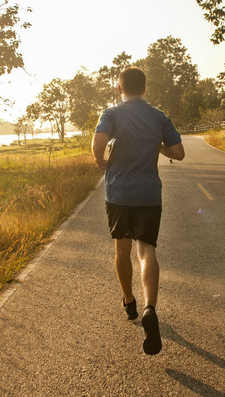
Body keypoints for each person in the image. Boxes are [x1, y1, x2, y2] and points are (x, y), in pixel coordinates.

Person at [91, 66, 185, 355]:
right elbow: (179, 153)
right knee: (147, 252)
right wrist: (156, 145)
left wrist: (100, 160)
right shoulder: (158, 116)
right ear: (144, 89)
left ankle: (129, 302)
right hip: (148, 195)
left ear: (120, 89)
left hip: (118, 194)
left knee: (122, 251)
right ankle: (150, 309)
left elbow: (98, 143)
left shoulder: (112, 113)